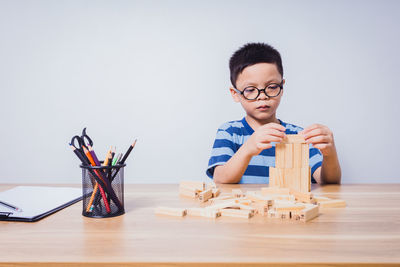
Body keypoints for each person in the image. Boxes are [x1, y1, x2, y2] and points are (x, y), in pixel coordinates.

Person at [206, 42, 341, 184]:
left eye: (271, 87)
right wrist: (249, 148)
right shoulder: (229, 132)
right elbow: (220, 179)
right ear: (235, 94)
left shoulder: (298, 135)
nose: (262, 96)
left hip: (289, 206)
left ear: (282, 87)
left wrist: (330, 154)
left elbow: (328, 183)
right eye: (250, 89)